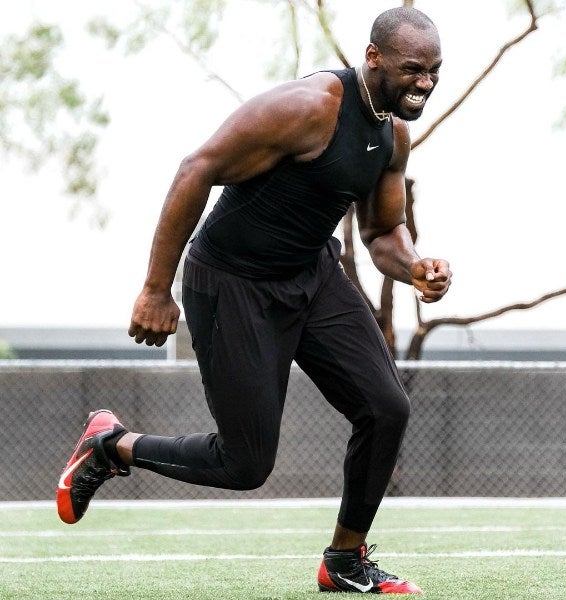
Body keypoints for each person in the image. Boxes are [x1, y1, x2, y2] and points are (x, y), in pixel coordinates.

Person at [57, 6, 451, 595]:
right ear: (373, 58)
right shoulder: (309, 107)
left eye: (435, 70)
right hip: (233, 281)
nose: (425, 82)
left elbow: (381, 234)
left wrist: (416, 266)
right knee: (245, 464)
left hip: (311, 275)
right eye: (413, 69)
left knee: (386, 407)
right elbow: (197, 168)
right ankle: (112, 445)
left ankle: (345, 562)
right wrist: (155, 289)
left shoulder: (393, 134)